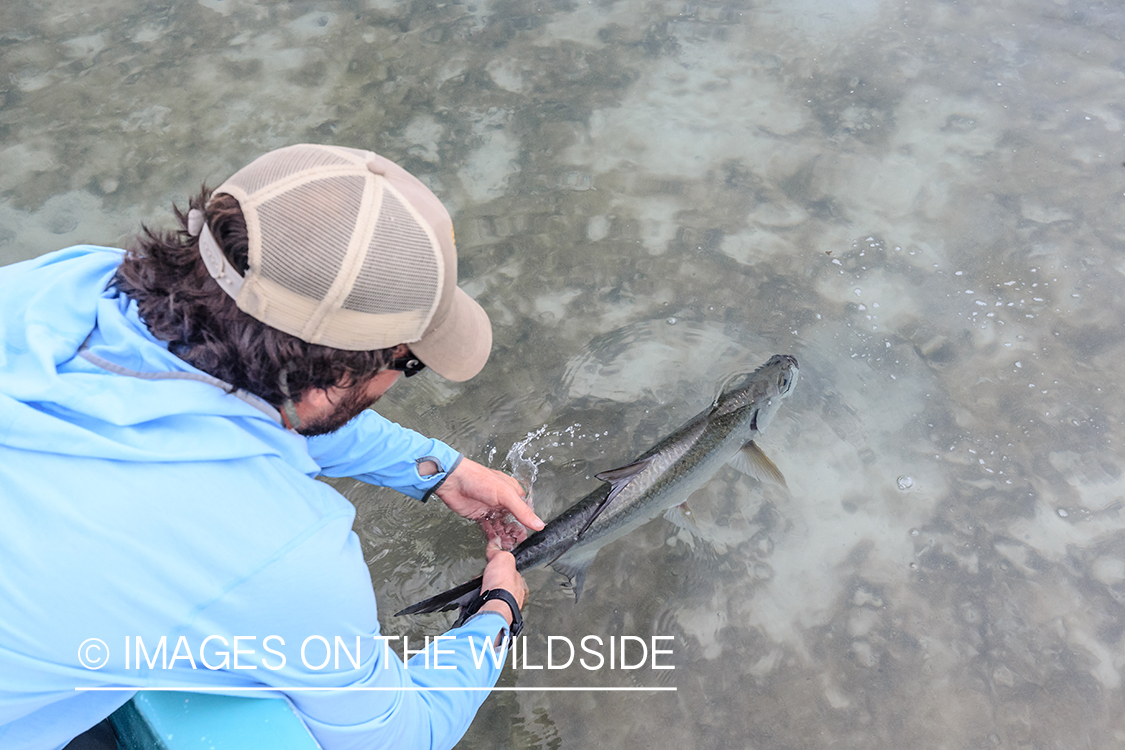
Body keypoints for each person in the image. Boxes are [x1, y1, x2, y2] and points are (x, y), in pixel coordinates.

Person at [0, 143, 545, 750]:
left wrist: (439, 470)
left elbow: (241, 398)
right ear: (334, 378)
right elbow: (399, 738)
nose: (400, 378)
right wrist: (497, 612)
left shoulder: (58, 283)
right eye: (408, 363)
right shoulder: (281, 554)